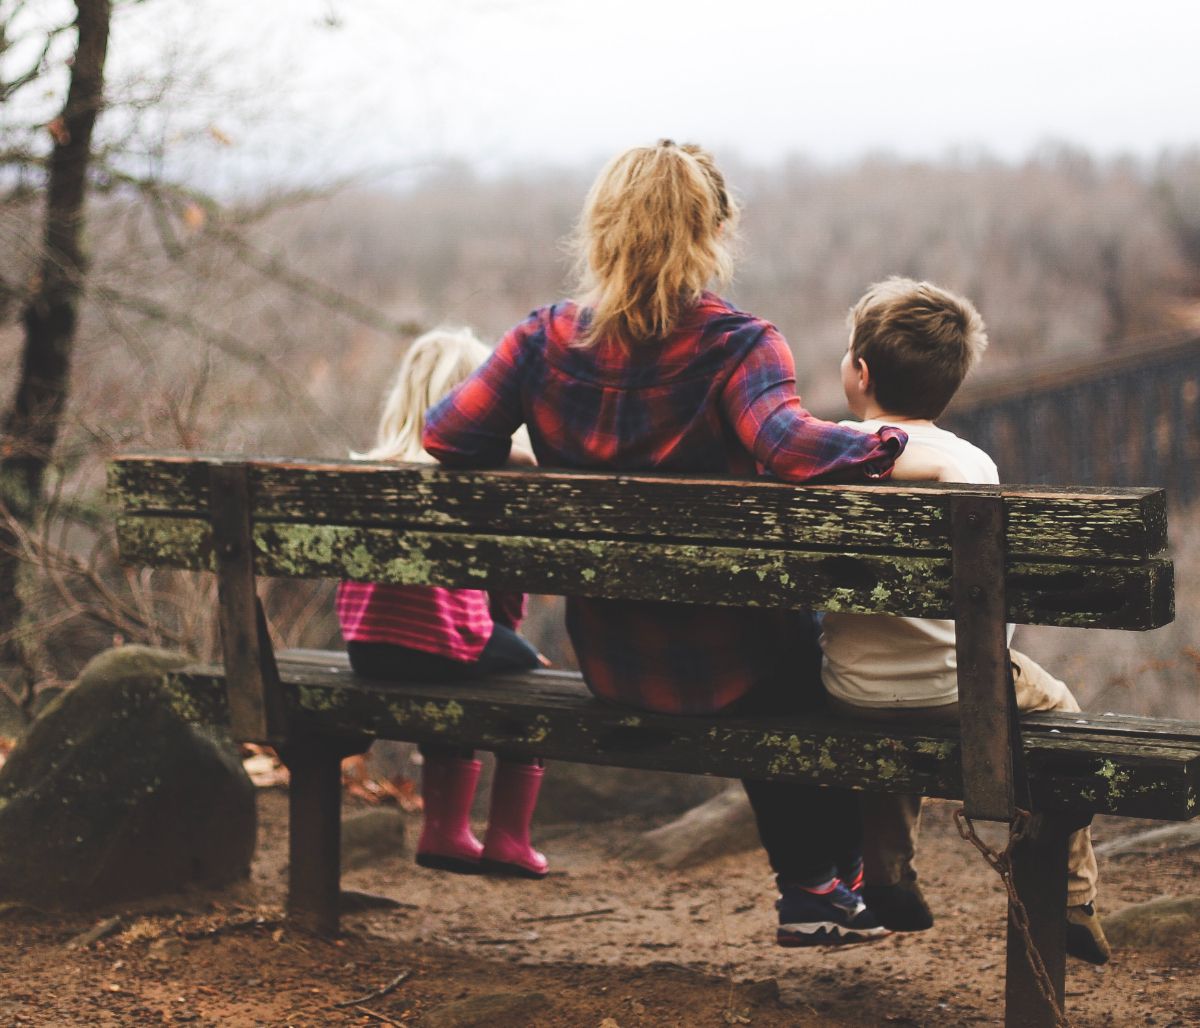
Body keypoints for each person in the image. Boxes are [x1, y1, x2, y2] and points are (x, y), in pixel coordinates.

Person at [423, 140, 950, 946]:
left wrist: (529, 455)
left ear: (599, 229)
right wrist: (889, 446)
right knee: (813, 657)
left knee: (781, 649)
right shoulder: (738, 345)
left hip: (613, 660)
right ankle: (822, 885)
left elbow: (445, 436)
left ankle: (823, 886)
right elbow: (790, 448)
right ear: (713, 232)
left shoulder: (540, 341)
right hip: (734, 666)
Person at [819, 276, 1109, 964]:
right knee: (1060, 710)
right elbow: (992, 607)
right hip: (960, 689)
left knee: (890, 701)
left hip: (850, 689)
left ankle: (887, 874)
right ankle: (1073, 896)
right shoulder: (971, 465)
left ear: (859, 373)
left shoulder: (822, 453)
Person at [337, 327, 550, 879]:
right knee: (530, 678)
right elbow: (504, 587)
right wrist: (512, 639)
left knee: (455, 660)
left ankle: (446, 831)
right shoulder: (475, 477)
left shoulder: (369, 471)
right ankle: (507, 840)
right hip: (442, 645)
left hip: (367, 649)